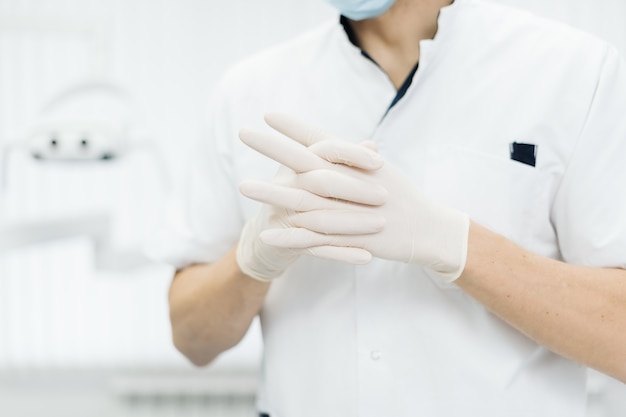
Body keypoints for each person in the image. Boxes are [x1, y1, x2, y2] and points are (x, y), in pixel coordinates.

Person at [150, 0, 626, 415]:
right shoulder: (249, 90)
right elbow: (191, 338)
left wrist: (452, 243)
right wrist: (252, 259)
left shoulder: (574, 73)